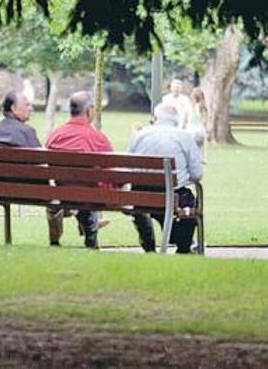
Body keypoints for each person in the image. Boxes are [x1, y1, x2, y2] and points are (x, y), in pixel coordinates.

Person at [128, 103, 203, 254]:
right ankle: (183, 247)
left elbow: (129, 166)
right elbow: (197, 174)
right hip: (172, 196)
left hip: (141, 195)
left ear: (155, 118)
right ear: (176, 120)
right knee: (191, 203)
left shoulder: (141, 135)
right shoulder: (184, 136)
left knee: (152, 204)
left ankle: (149, 247)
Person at [45, 91, 113, 249]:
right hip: (89, 196)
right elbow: (111, 169)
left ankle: (56, 241)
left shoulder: (55, 135)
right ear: (89, 110)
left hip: (61, 193)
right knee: (89, 190)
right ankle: (91, 239)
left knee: (81, 189)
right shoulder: (97, 137)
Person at [183, 87, 209, 160]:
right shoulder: (203, 107)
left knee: (190, 145)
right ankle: (202, 158)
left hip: (191, 128)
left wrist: (183, 127)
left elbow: (185, 119)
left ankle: (191, 158)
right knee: (201, 146)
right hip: (200, 128)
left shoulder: (189, 106)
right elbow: (205, 120)